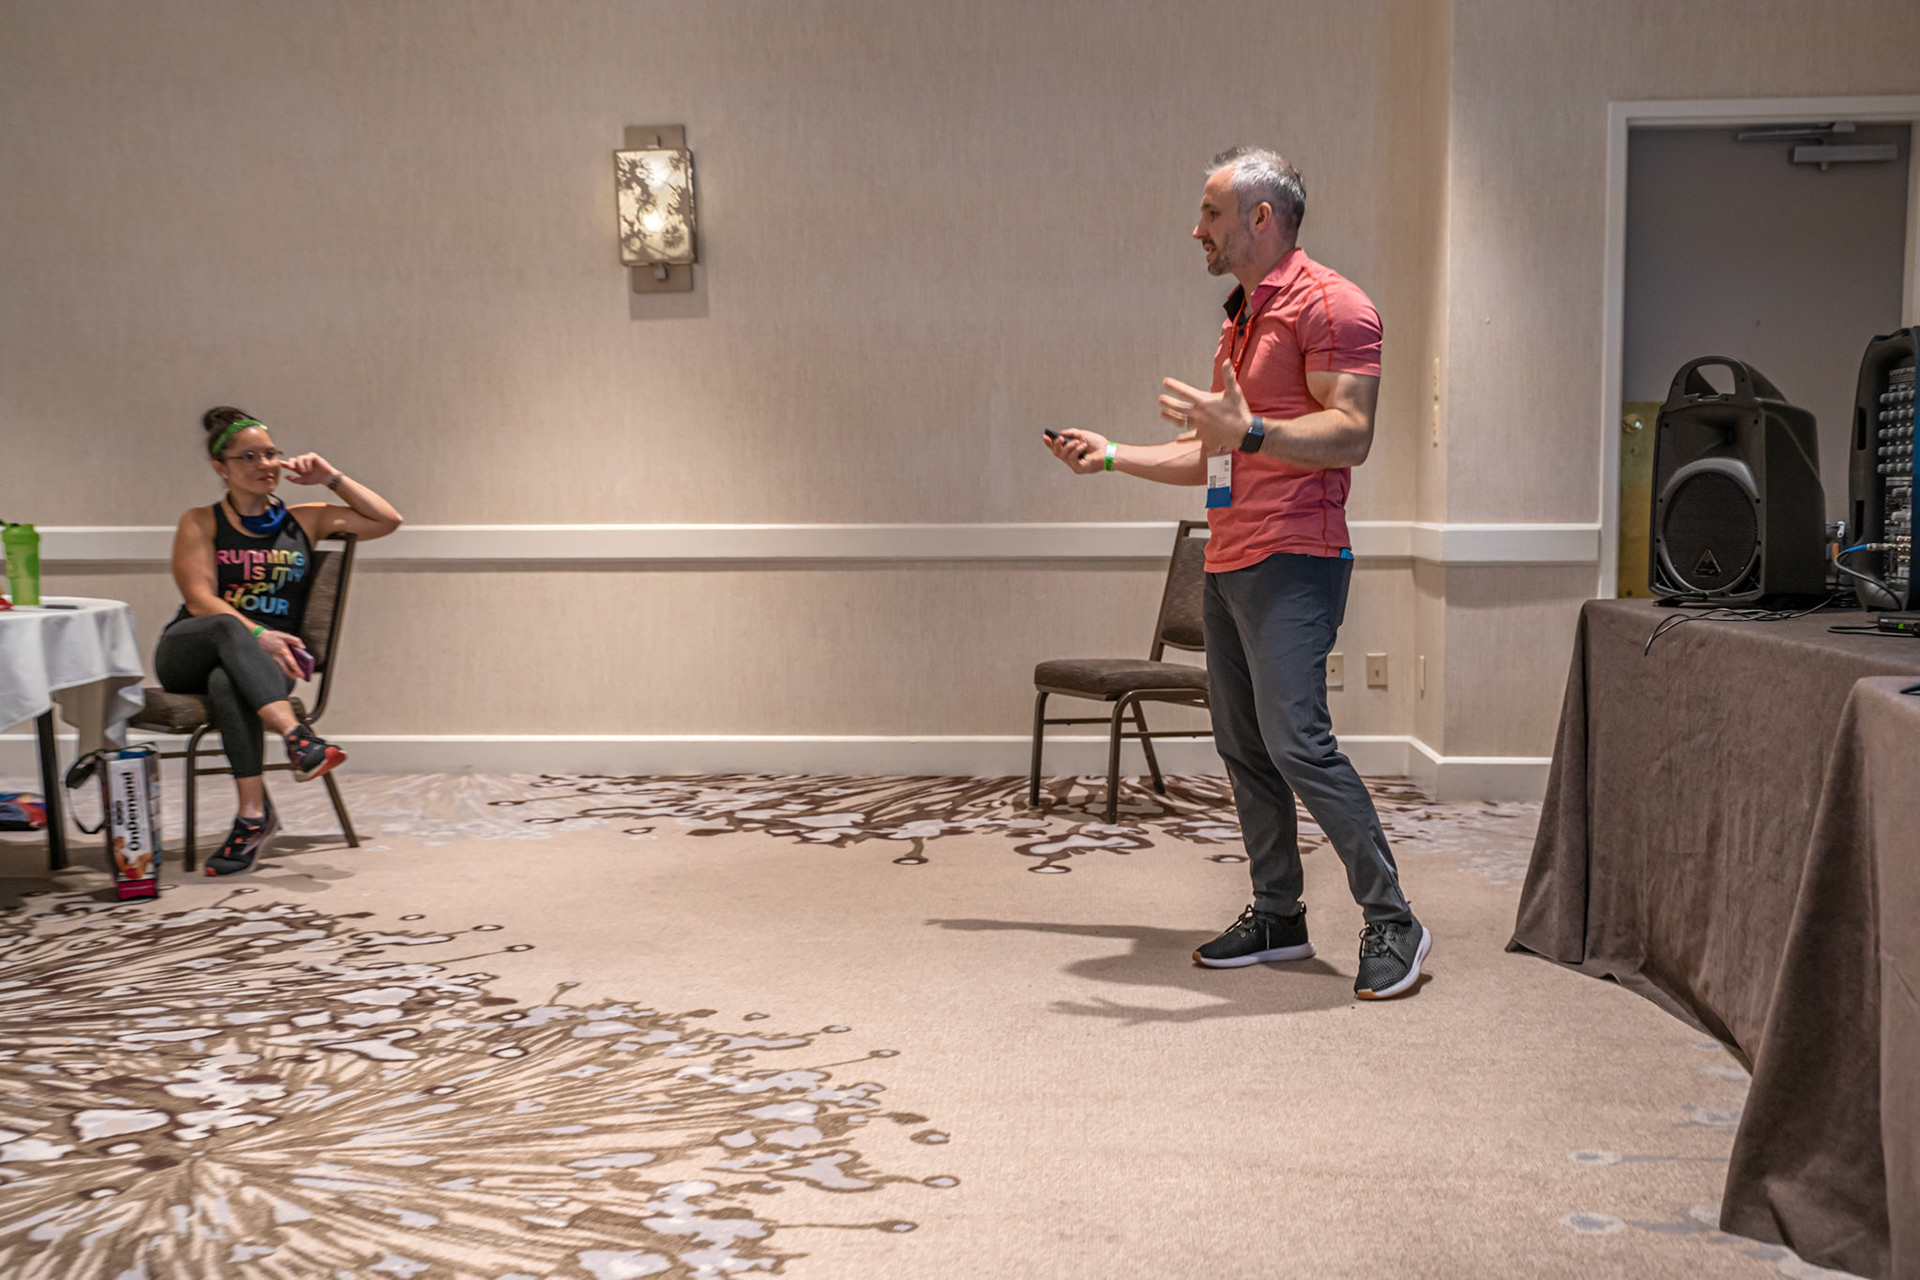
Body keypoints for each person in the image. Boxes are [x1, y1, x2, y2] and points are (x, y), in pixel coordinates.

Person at [1044, 147, 1429, 1000]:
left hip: (1296, 557)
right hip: (1230, 558)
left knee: (1298, 743)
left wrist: (1249, 432)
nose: (1198, 229)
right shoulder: (1242, 318)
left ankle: (1393, 918)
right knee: (1244, 745)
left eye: (1211, 212)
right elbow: (1211, 454)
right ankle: (1278, 914)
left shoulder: (1334, 304)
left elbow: (1352, 433)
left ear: (1262, 216)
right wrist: (1111, 455)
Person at [158, 407, 403, 875]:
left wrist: (331, 478)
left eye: (271, 454)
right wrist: (259, 635)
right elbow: (199, 599)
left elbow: (388, 520)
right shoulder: (201, 521)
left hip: (261, 669)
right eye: (249, 456)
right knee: (228, 626)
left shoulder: (304, 521)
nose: (265, 464)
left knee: (227, 682)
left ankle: (253, 817)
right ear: (221, 467)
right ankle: (297, 738)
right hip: (189, 650)